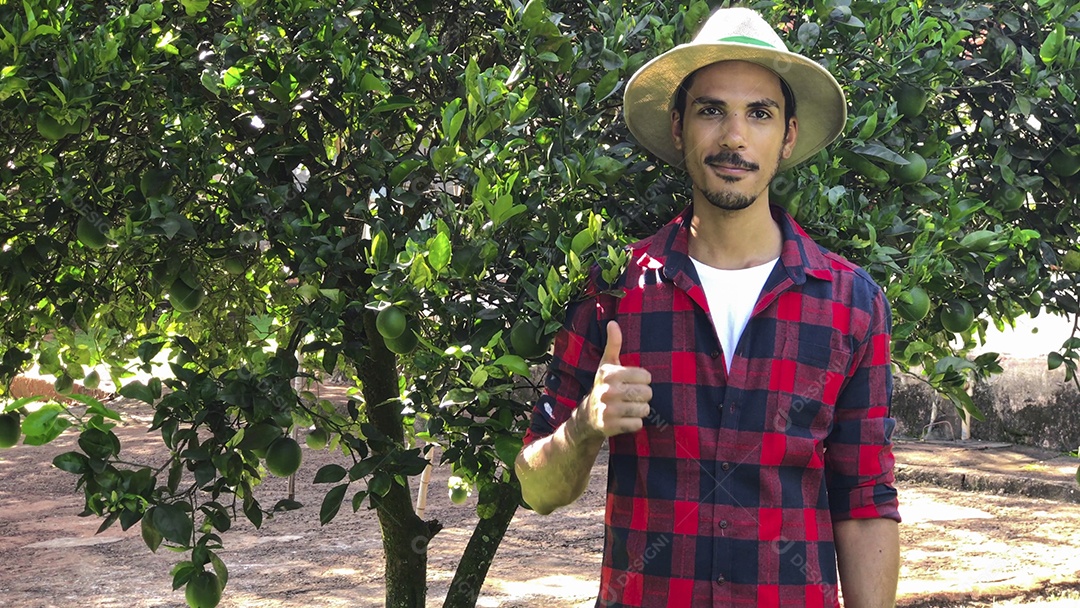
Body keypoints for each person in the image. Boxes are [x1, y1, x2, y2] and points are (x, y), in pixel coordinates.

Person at [514, 7, 901, 607]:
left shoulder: (851, 303)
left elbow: (865, 499)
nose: (734, 137)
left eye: (759, 114)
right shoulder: (614, 292)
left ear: (788, 136)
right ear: (679, 127)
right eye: (712, 110)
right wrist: (587, 423)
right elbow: (537, 488)